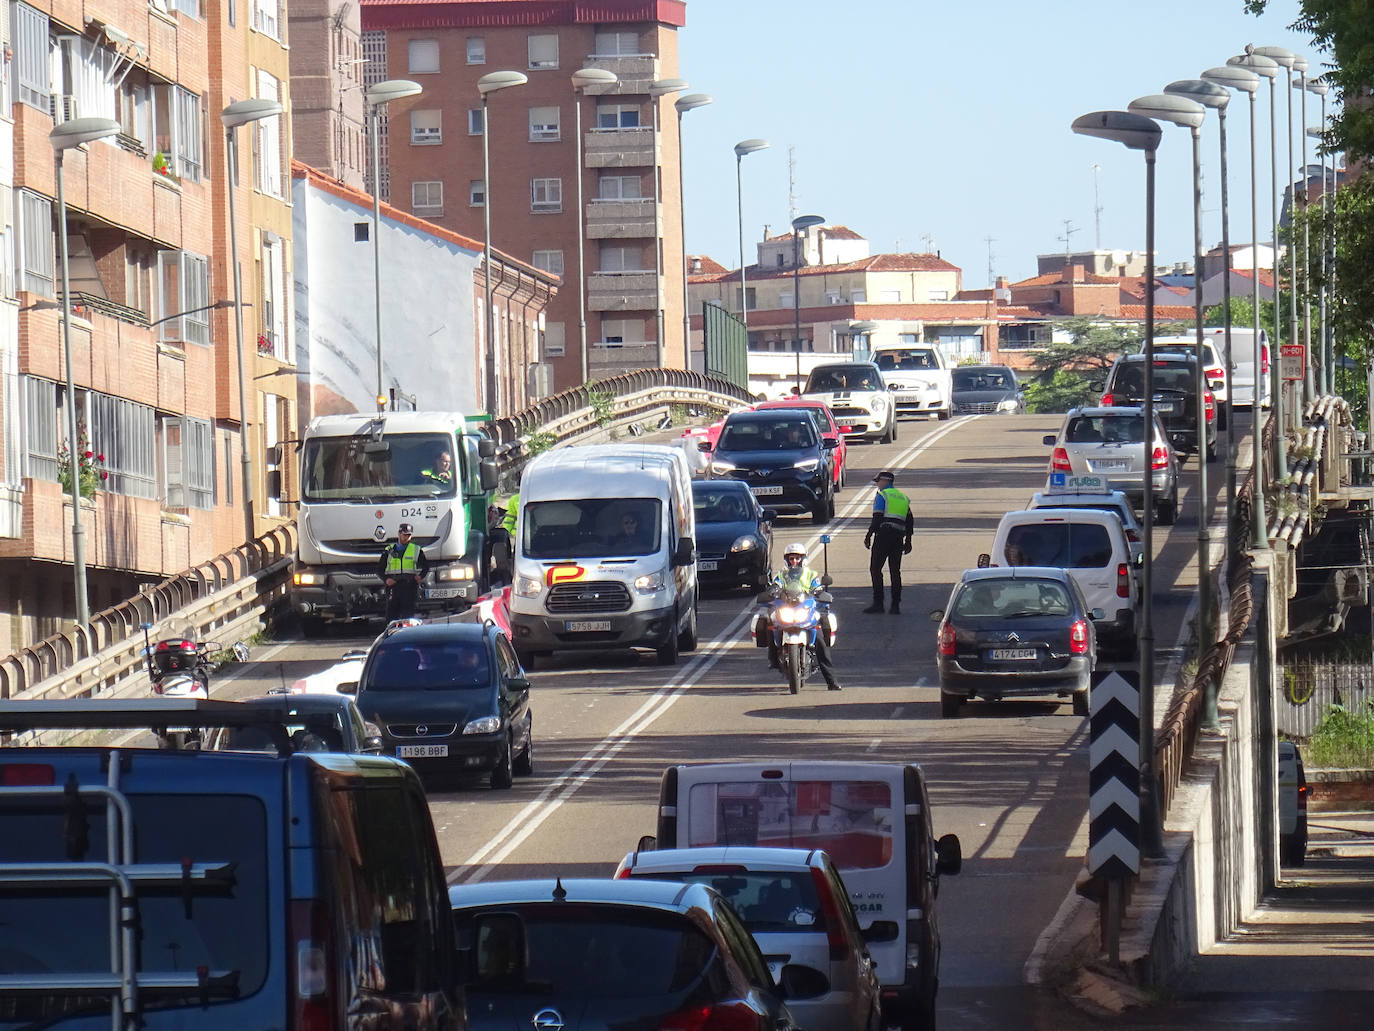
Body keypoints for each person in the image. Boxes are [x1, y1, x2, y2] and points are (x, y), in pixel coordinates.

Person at [766, 542, 842, 691]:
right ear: (787, 560)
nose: (794, 561)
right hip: (787, 609)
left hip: (805, 609)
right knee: (770, 623)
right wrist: (772, 591)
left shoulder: (811, 574)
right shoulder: (781, 575)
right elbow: (776, 585)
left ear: (803, 559)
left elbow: (817, 587)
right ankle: (773, 659)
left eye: (797, 558)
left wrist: (820, 592)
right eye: (791, 558)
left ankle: (831, 680)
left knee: (820, 641)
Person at [863, 470, 913, 614]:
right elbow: (910, 521)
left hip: (884, 535)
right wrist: (908, 540)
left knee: (875, 569)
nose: (877, 485)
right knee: (895, 571)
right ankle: (895, 606)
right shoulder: (903, 498)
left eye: (878, 482)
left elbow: (877, 517)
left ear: (885, 481)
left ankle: (878, 604)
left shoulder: (882, 495)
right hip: (898, 537)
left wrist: (869, 535)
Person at [377, 522, 428, 621]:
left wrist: (420, 576)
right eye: (404, 535)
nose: (406, 537)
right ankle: (392, 635)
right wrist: (386, 579)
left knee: (408, 617)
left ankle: (407, 635)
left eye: (409, 535)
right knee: (391, 617)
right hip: (393, 587)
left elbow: (426, 567)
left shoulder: (416, 549)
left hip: (409, 587)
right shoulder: (389, 550)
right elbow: (379, 569)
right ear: (399, 534)